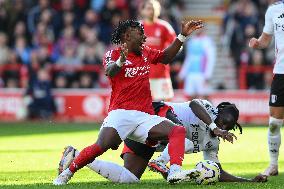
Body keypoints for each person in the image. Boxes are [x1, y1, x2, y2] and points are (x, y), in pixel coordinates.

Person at [53, 19, 235, 185]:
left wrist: (182, 36)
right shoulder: (113, 54)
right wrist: (120, 62)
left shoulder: (146, 53)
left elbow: (166, 57)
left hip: (144, 116)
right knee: (102, 145)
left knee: (177, 131)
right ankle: (67, 172)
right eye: (140, 33)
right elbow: (110, 71)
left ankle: (174, 171)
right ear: (127, 35)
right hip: (121, 113)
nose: (144, 36)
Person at [57, 99, 267, 183]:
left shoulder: (213, 143)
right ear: (217, 113)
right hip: (155, 117)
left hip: (153, 141)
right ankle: (161, 164)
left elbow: (218, 171)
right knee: (181, 135)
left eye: (228, 127)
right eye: (222, 122)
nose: (223, 128)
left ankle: (75, 156)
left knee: (129, 179)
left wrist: (247, 182)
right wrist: (213, 125)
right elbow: (194, 104)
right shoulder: (207, 109)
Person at [249, 0, 284, 176]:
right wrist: (257, 43)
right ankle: (273, 164)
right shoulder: (273, 10)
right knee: (274, 123)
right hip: (281, 72)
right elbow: (266, 39)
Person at [140, 0, 176, 101]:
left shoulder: (164, 27)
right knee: (142, 107)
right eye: (148, 8)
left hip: (161, 73)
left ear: (158, 11)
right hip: (142, 74)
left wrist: (171, 54)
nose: (151, 11)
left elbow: (176, 44)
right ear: (142, 11)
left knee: (167, 106)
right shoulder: (136, 27)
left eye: (154, 8)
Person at [178, 28, 216, 100]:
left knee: (202, 97)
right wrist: (182, 74)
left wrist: (207, 75)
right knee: (190, 97)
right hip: (191, 74)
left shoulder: (207, 42)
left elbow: (211, 59)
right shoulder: (191, 42)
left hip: (201, 74)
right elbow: (188, 59)